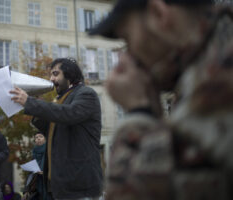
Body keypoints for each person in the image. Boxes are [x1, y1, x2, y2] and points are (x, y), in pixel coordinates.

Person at [89, 0, 233, 199]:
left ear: (159, 14)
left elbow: (134, 193)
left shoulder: (216, 81)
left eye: (128, 39)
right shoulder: (212, 56)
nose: (129, 56)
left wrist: (139, 110)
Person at [10, 58, 103, 199]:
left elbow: (68, 114)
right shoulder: (60, 99)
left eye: (55, 73)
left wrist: (31, 103)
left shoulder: (86, 94)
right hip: (61, 186)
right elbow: (52, 127)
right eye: (51, 75)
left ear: (69, 74)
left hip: (80, 185)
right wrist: (36, 104)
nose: (51, 79)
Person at [23, 132, 47, 200]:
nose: (38, 138)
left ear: (45, 139)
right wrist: (26, 190)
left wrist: (45, 173)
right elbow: (30, 175)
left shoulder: (49, 152)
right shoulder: (34, 154)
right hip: (35, 188)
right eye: (36, 137)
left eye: (40, 137)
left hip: (47, 187)